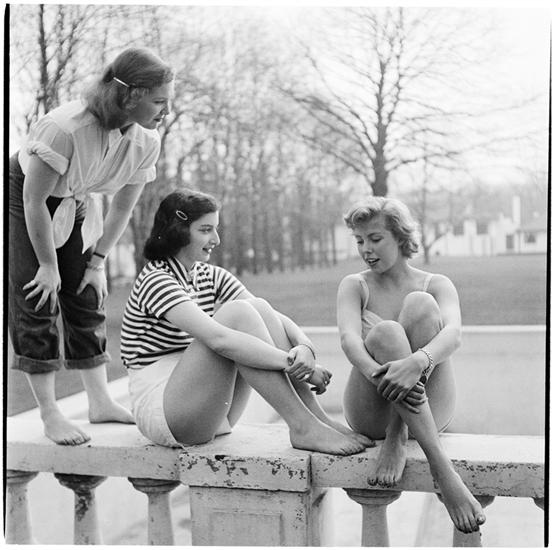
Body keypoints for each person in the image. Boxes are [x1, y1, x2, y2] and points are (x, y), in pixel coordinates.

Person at [120, 189, 372, 455]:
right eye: (205, 230)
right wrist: (297, 367)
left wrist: (305, 348)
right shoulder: (156, 279)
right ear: (178, 231)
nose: (216, 239)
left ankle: (316, 419)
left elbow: (272, 316)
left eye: (215, 229)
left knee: (258, 307)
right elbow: (219, 340)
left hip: (206, 407)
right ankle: (302, 426)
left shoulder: (209, 275)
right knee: (237, 314)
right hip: (165, 413)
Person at [8, 47, 175, 446]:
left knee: (86, 292)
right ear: (131, 95)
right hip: (23, 197)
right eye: (159, 101)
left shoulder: (145, 141)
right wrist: (47, 265)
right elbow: (34, 201)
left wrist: (97, 262)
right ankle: (50, 413)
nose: (166, 111)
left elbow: (122, 207)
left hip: (75, 198)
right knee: (37, 296)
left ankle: (100, 402)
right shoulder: (63, 128)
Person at [336, 196, 486, 534]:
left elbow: (454, 335)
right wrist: (383, 377)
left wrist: (418, 362)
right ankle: (441, 468)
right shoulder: (354, 285)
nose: (366, 249)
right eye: (359, 240)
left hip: (431, 402)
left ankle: (401, 432)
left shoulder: (437, 284)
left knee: (420, 304)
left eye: (375, 238)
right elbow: (349, 341)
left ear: (401, 237)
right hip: (371, 405)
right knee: (387, 332)